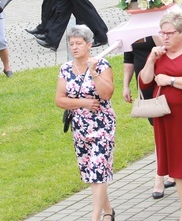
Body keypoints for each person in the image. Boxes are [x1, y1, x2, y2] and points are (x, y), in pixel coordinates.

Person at [140, 12, 182, 221]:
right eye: (162, 33)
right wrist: (151, 60)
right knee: (174, 165)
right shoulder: (160, 54)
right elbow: (145, 82)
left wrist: (170, 80)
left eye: (170, 33)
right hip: (164, 118)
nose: (165, 37)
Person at [54, 25, 115, 221]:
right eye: (71, 44)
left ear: (89, 45)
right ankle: (109, 211)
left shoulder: (102, 65)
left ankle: (95, 217)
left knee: (98, 169)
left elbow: (106, 93)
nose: (74, 47)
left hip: (102, 126)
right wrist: (83, 103)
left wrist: (94, 72)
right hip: (79, 127)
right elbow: (60, 100)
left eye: (78, 43)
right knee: (90, 172)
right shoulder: (65, 69)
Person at [121, 36, 175, 198]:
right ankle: (169, 170)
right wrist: (126, 86)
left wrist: (153, 31)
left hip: (162, 80)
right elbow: (128, 60)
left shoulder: (159, 29)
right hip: (145, 83)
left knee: (166, 130)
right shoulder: (130, 31)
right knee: (159, 130)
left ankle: (161, 177)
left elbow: (166, 48)